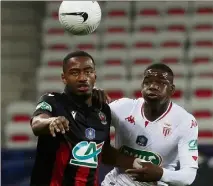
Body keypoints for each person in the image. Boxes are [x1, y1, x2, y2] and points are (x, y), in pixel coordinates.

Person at [30, 50, 143, 186]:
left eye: (88, 72)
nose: (83, 77)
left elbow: (104, 152)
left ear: (95, 76)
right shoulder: (52, 101)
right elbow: (36, 123)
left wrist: (135, 163)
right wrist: (51, 121)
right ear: (64, 78)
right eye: (75, 73)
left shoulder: (103, 110)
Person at [94, 63, 198, 186]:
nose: (153, 86)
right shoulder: (122, 108)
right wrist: (90, 99)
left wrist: (161, 174)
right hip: (116, 182)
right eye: (147, 82)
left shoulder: (185, 121)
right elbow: (88, 127)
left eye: (161, 83)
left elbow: (188, 176)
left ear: (172, 89)